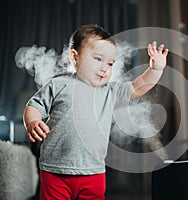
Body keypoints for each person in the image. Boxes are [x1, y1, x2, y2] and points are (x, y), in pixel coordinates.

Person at [23, 24, 168, 200]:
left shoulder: (109, 91)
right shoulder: (59, 85)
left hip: (93, 173)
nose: (105, 67)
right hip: (55, 171)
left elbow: (139, 86)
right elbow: (34, 106)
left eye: (110, 63)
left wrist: (156, 69)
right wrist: (32, 122)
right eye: (98, 59)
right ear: (74, 57)